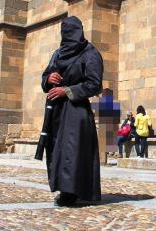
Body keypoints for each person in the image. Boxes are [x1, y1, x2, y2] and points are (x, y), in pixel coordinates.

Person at [41, 16, 103, 206]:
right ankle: (61, 187)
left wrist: (67, 90)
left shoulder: (90, 53)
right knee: (56, 149)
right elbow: (46, 76)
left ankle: (71, 192)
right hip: (56, 111)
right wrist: (48, 79)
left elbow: (94, 84)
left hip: (76, 111)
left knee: (72, 151)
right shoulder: (58, 53)